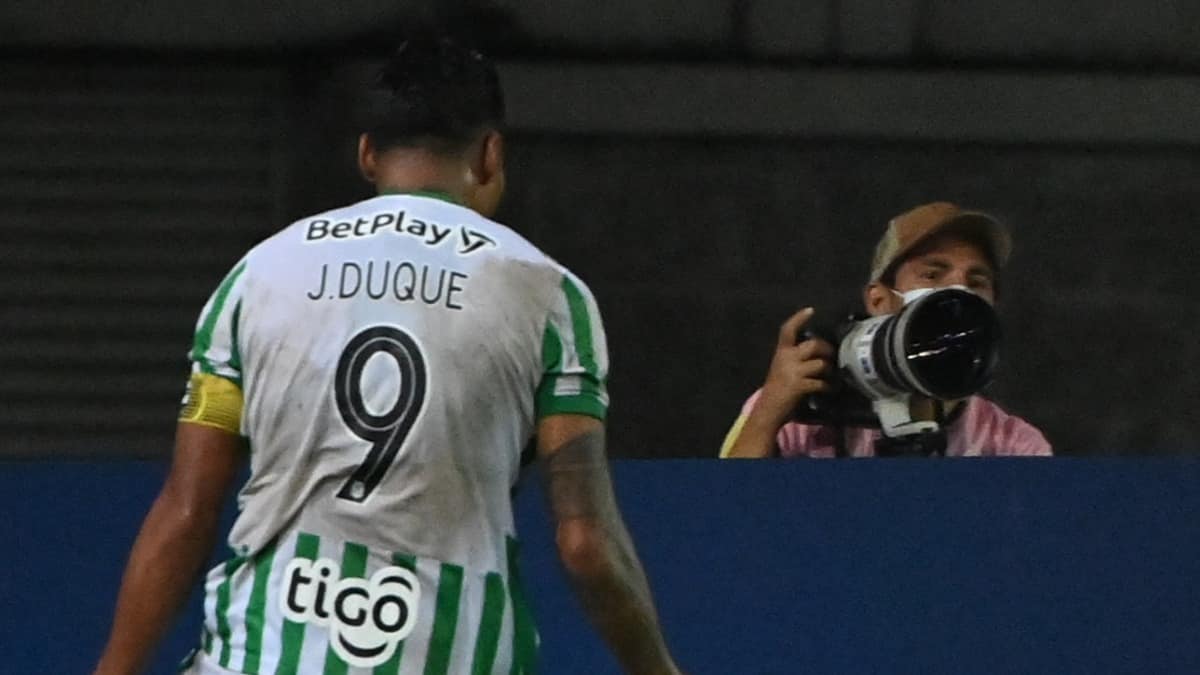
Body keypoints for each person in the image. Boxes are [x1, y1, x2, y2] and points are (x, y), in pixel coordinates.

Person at [94, 36, 682, 675]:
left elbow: (186, 510)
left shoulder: (258, 277)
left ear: (367, 153)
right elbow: (585, 544)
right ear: (490, 155)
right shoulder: (545, 294)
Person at [720, 202, 1052, 458]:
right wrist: (767, 414)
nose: (957, 292)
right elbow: (722, 514)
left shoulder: (1011, 445)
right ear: (879, 300)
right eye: (933, 274)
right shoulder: (797, 410)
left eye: (976, 281)